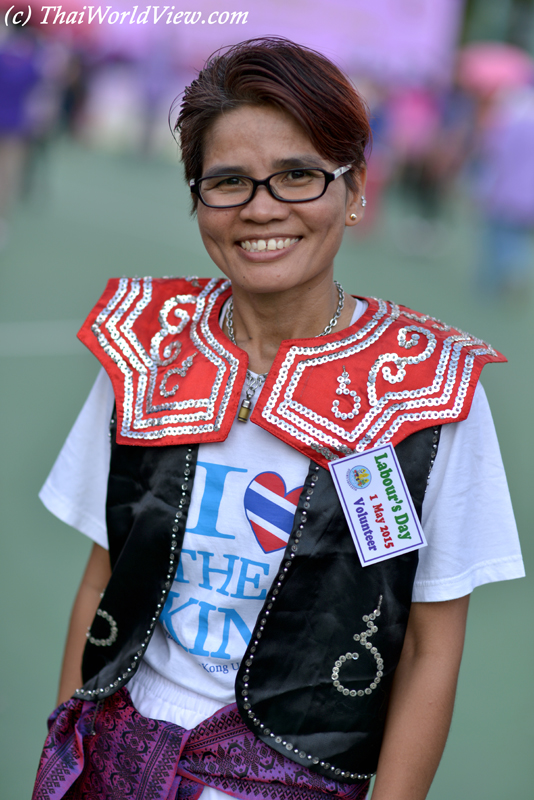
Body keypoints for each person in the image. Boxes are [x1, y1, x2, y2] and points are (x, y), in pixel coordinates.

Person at [32, 38, 524, 800]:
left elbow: (431, 646)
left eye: (298, 175)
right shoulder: (145, 349)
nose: (262, 208)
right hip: (116, 758)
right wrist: (61, 753)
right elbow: (102, 578)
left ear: (355, 187)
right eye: (227, 181)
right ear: (198, 198)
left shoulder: (429, 389)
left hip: (299, 778)